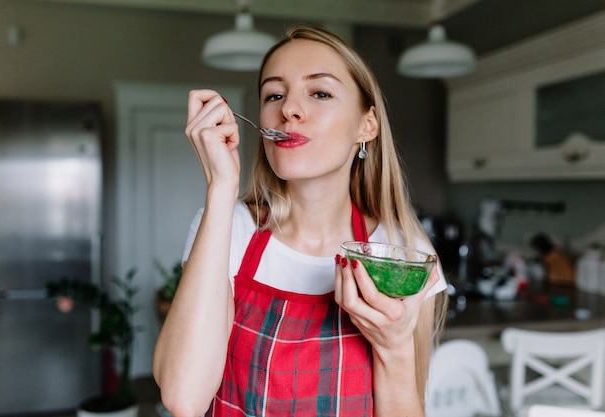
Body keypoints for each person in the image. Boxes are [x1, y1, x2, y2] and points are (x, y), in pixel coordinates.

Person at [153, 24, 448, 417]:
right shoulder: (232, 228)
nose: (288, 109)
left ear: (367, 125)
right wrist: (221, 185)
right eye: (274, 94)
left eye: (320, 92)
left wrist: (394, 347)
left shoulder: (403, 253)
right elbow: (184, 399)